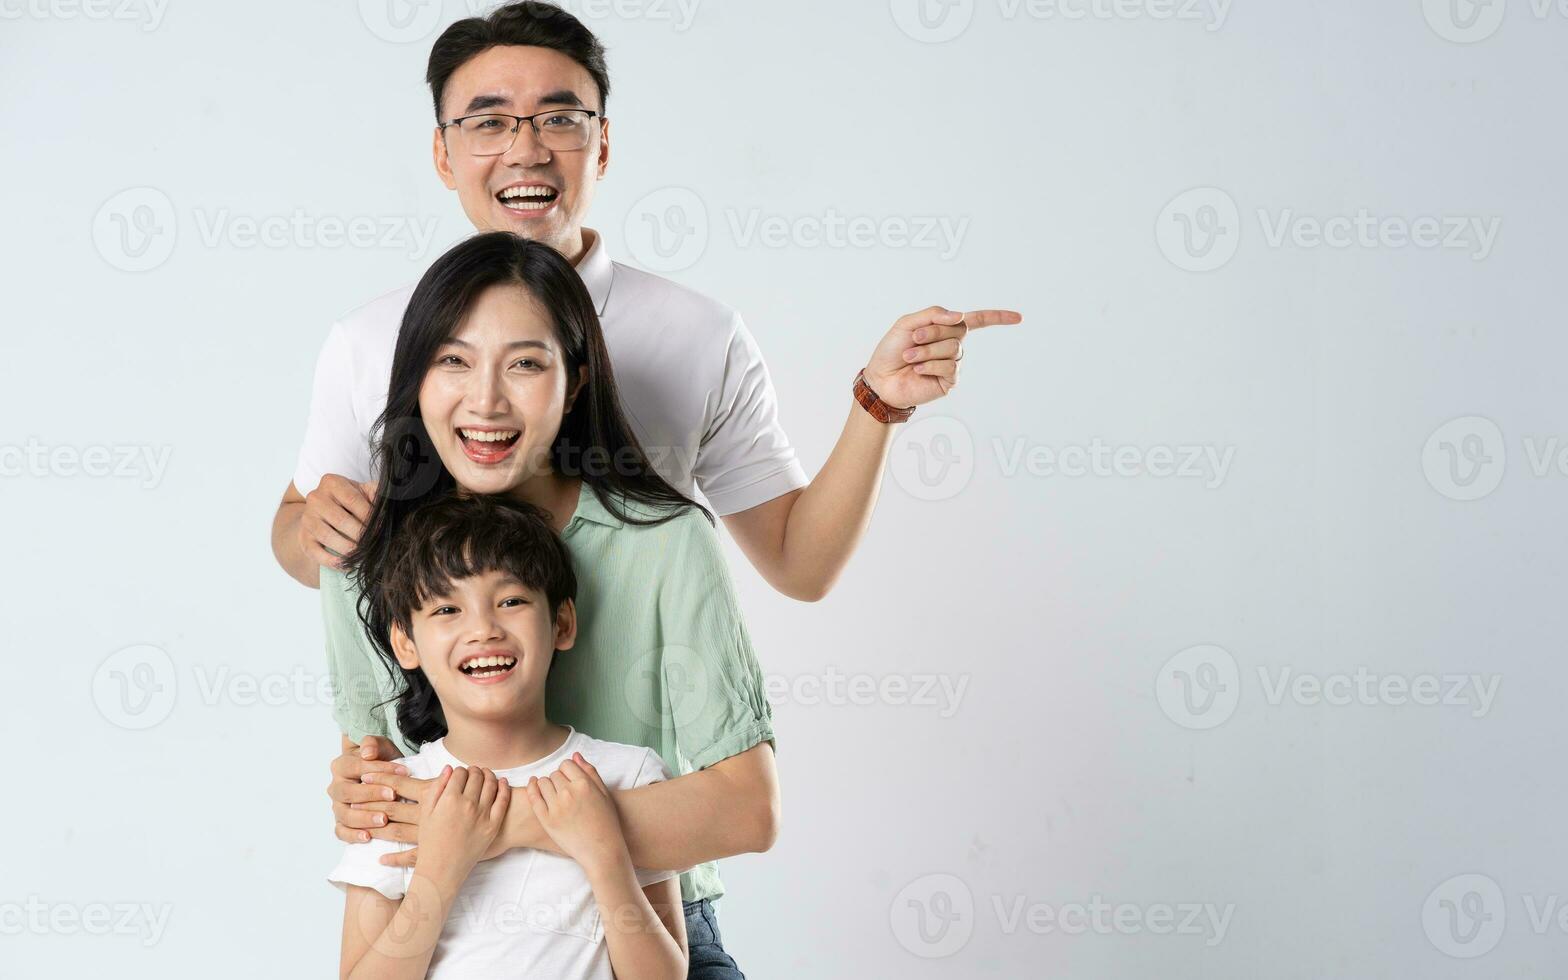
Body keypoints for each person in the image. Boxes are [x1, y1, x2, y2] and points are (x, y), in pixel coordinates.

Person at [330, 231, 779, 978]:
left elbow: (750, 812)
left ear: (575, 383)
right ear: (414, 380)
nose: (487, 400)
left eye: (527, 364)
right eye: (452, 361)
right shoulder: (365, 558)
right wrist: (378, 804)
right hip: (445, 922)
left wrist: (503, 822)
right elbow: (377, 794)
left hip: (647, 916)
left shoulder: (664, 541)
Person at [331, 491, 689, 980]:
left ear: (561, 622)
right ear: (404, 642)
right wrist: (439, 871)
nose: (483, 629)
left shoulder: (628, 774)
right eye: (446, 610)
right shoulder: (394, 797)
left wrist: (605, 855)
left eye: (511, 600)